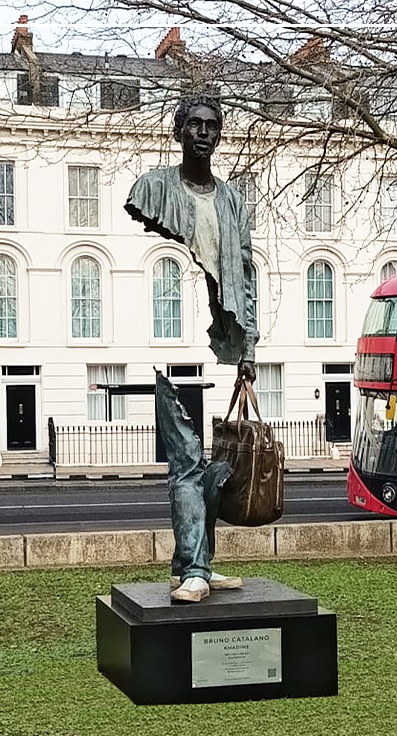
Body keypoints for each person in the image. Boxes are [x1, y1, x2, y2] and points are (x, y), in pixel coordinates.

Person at [125, 95, 259, 603]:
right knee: (185, 461)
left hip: (220, 341)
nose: (203, 133)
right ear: (179, 131)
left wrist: (248, 345)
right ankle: (195, 570)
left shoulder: (233, 202)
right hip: (163, 339)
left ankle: (193, 562)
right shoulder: (152, 188)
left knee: (218, 469)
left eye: (212, 126)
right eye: (194, 125)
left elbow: (244, 275)